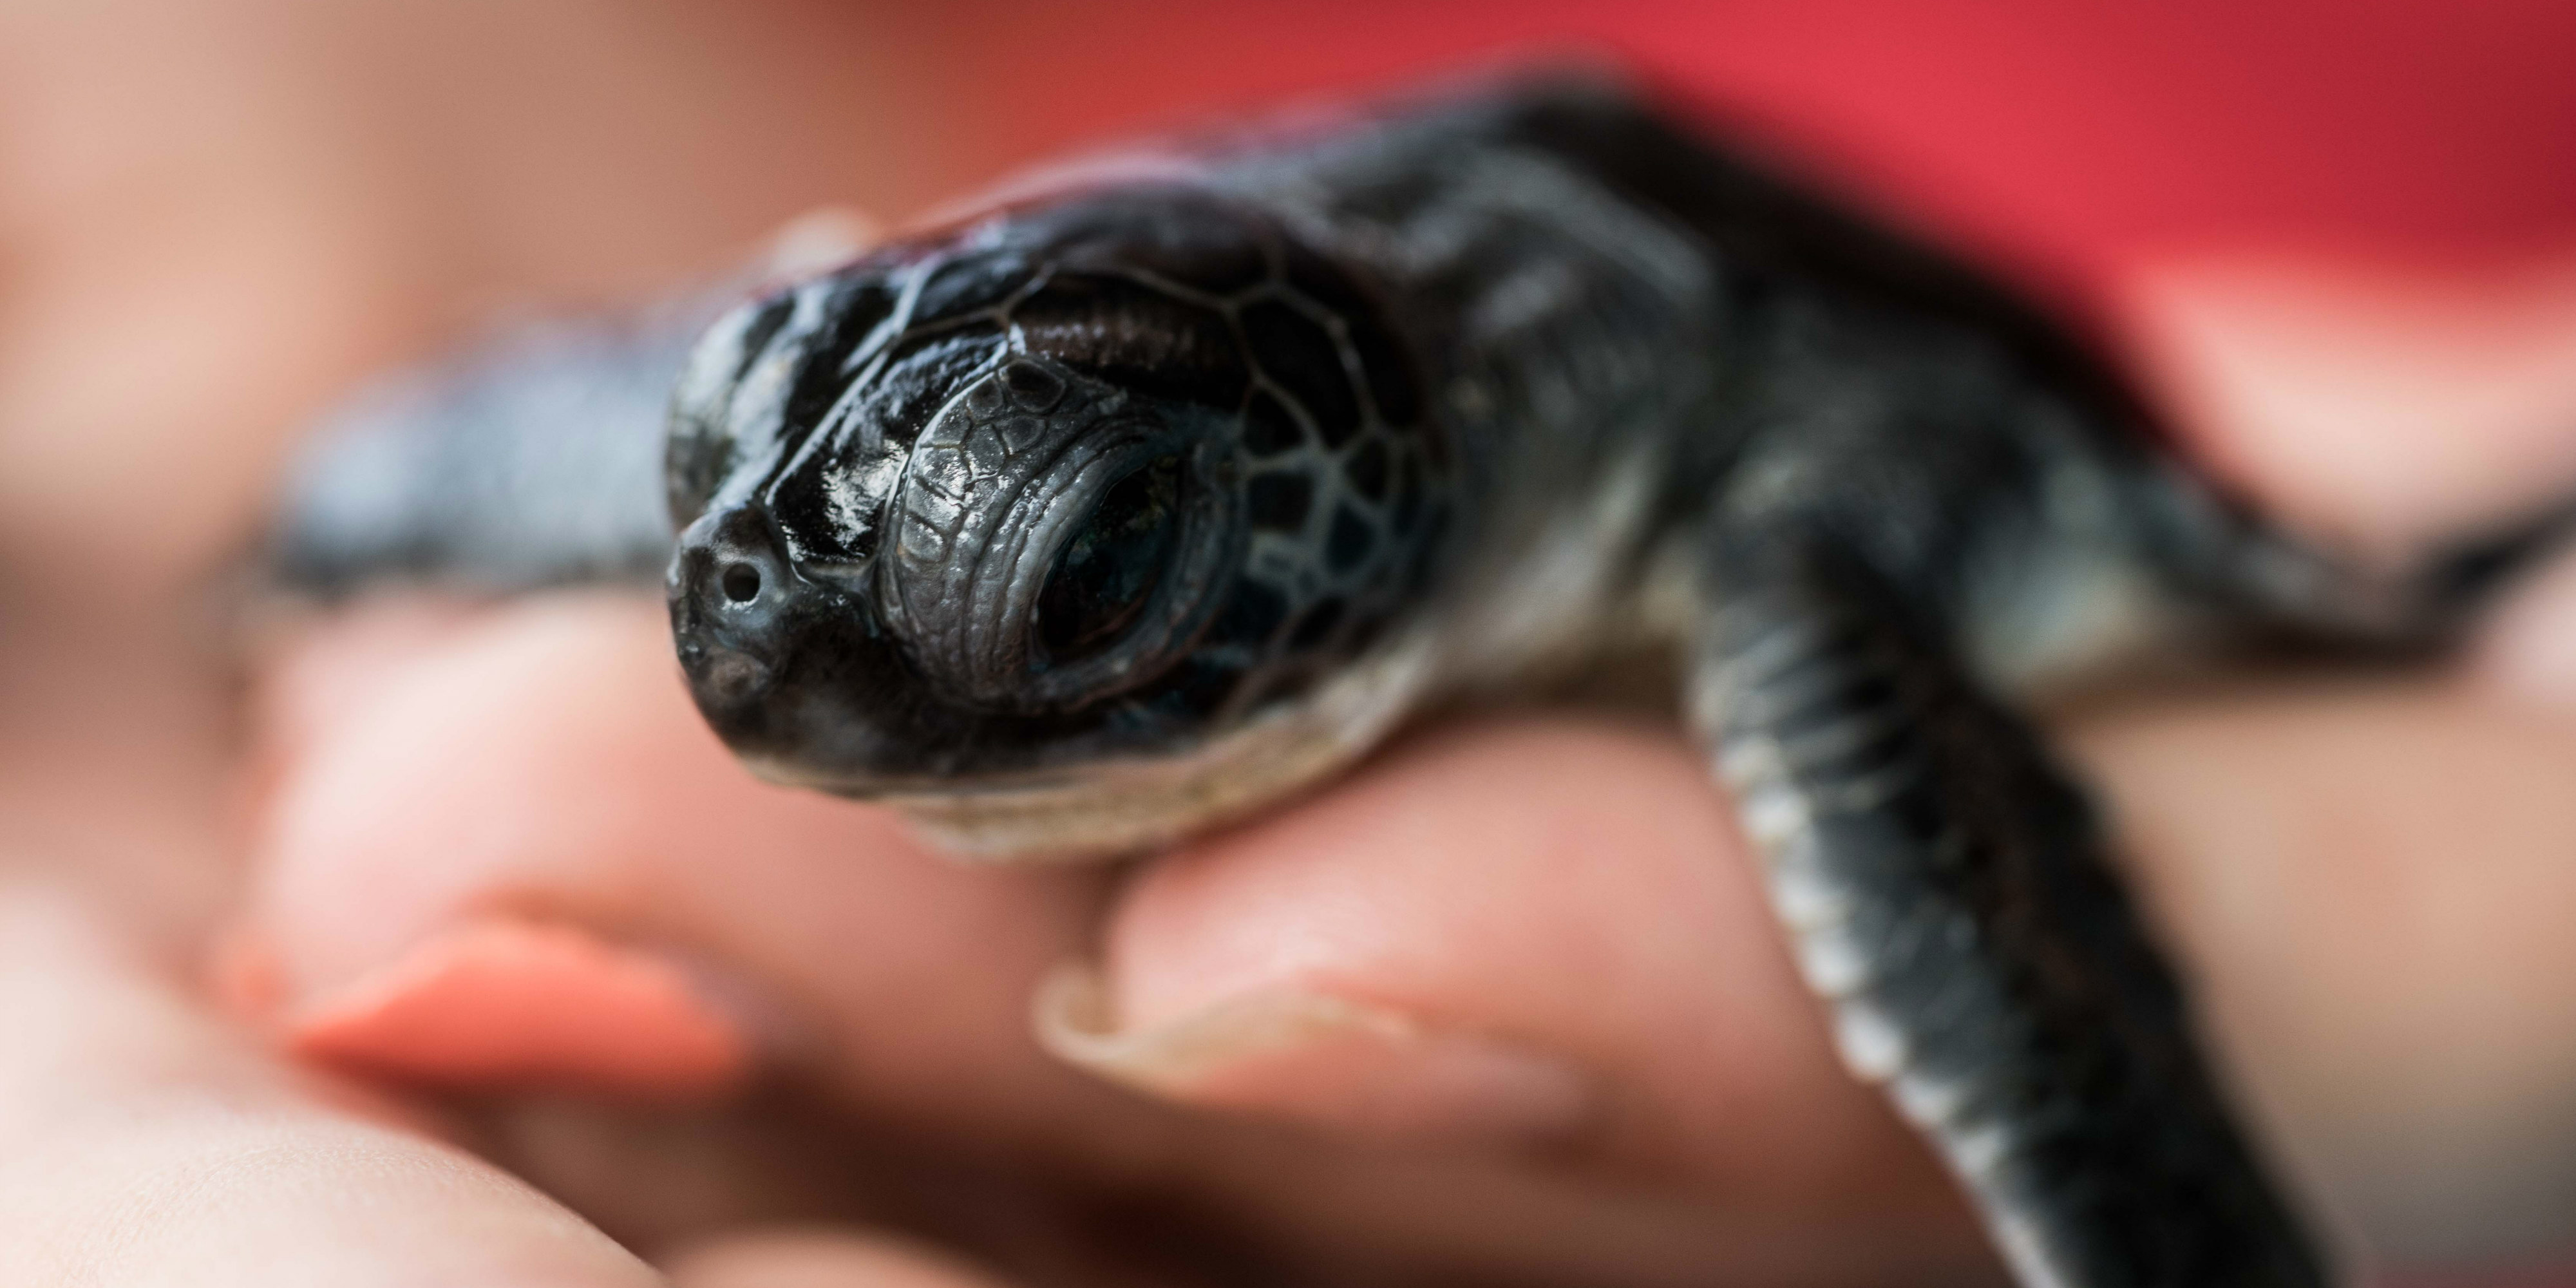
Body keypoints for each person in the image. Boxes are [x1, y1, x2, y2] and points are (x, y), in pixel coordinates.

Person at [6, 5, 2576, 1283]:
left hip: (1949, 402)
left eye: (1078, 578)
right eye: (708, 488)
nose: (781, 678)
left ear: (1381, 512)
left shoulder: (1781, 531)